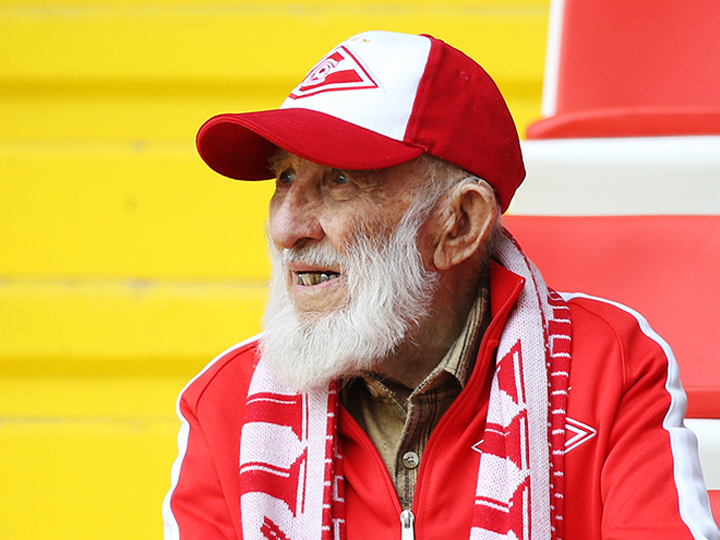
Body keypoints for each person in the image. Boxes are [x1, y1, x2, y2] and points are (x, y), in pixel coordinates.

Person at [162, 31, 719, 540]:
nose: (286, 228)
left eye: (340, 180)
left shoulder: (609, 367)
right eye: (285, 177)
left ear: (459, 225)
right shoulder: (223, 405)